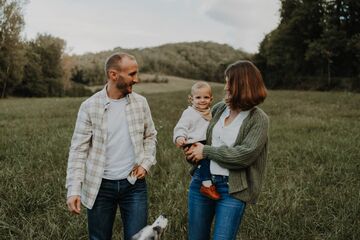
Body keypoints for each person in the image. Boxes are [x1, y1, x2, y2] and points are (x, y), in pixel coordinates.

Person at [65, 52, 157, 240]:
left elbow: (150, 136)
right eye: (132, 74)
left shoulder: (141, 103)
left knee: (139, 238)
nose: (136, 79)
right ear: (113, 75)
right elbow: (78, 150)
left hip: (134, 186)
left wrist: (146, 163)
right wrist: (74, 189)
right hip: (100, 186)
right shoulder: (89, 106)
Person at [185, 60, 269, 240]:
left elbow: (245, 154)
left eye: (228, 82)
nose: (225, 87)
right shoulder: (219, 109)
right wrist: (192, 152)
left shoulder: (258, 119)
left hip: (232, 188)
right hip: (202, 181)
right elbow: (202, 138)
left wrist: (206, 151)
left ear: (240, 84)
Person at [173, 81, 220, 200]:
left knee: (208, 159)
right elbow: (181, 127)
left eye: (206, 97)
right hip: (192, 142)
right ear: (191, 99)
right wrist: (179, 137)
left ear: (211, 99)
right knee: (204, 159)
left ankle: (206, 177)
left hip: (204, 141)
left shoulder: (211, 113)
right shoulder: (189, 113)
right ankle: (206, 185)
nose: (202, 100)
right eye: (198, 97)